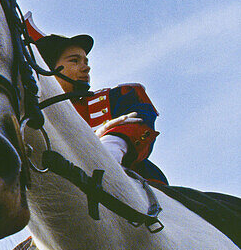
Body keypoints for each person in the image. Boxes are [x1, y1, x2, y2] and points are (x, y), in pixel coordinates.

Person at [26, 14, 168, 184]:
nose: (86, 67)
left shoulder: (116, 97)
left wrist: (113, 143)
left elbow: (140, 115)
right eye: (75, 61)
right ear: (49, 68)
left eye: (86, 60)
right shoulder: (31, 112)